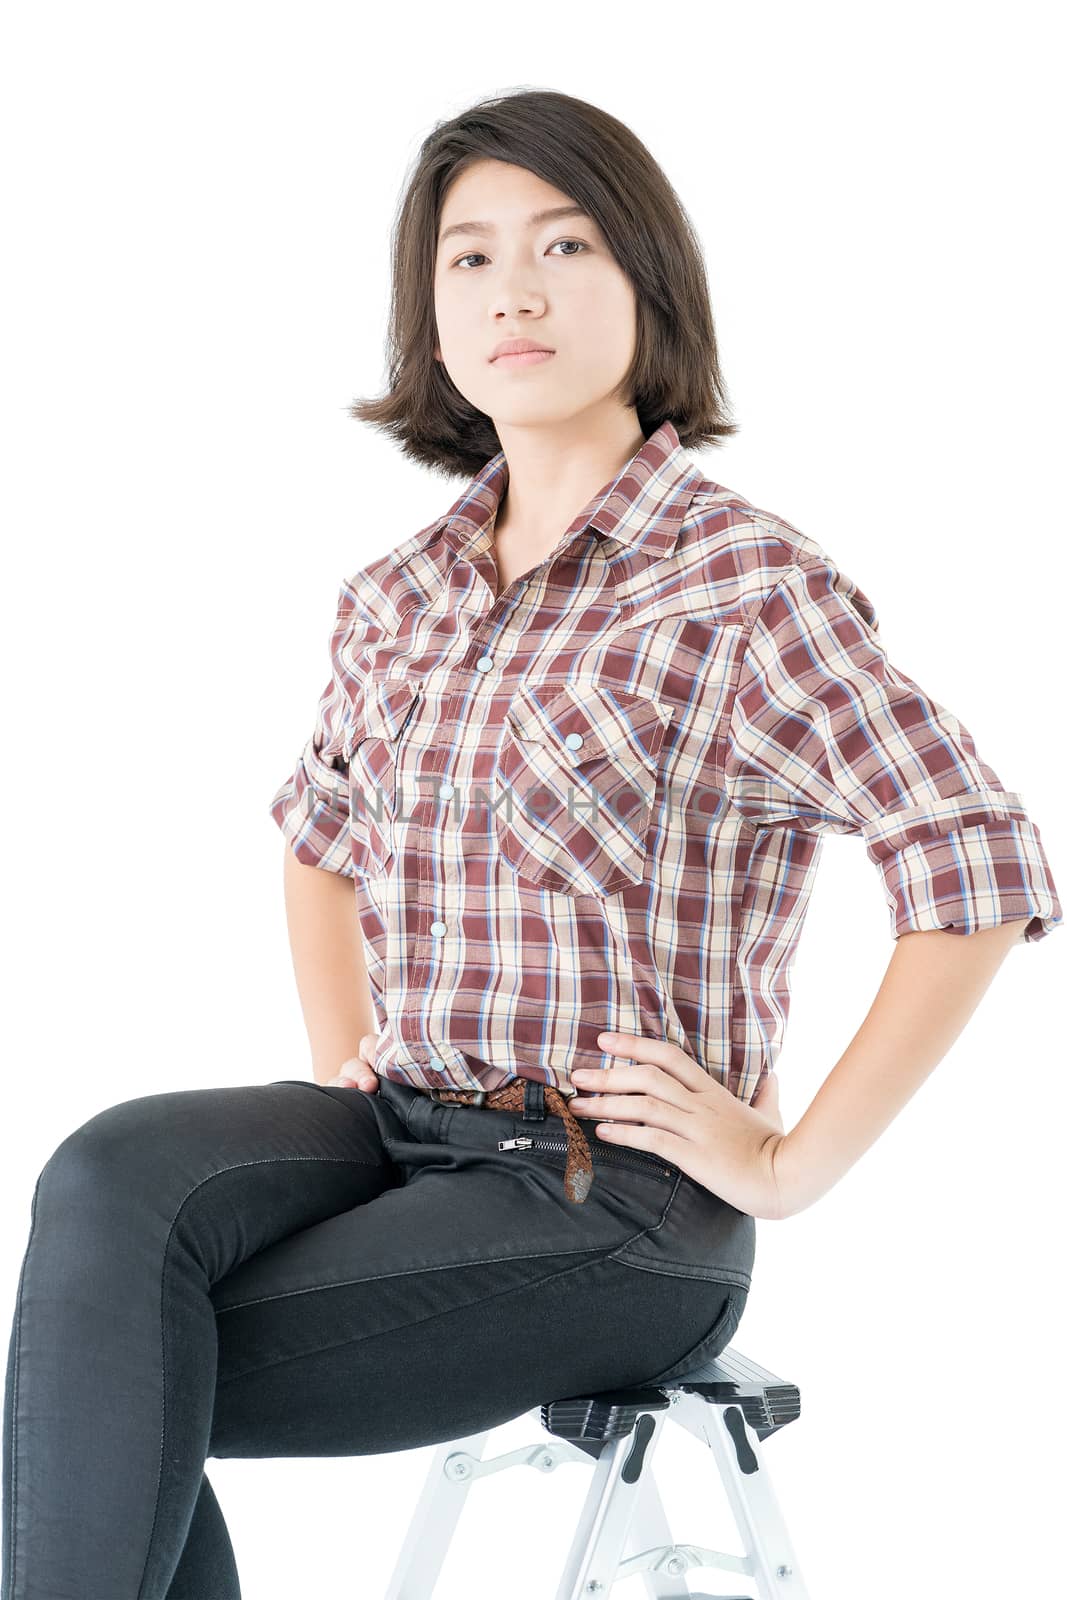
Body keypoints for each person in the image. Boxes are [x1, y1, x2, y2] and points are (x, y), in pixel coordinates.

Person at [2, 88, 1060, 1599]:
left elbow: (975, 861)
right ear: (426, 320)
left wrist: (790, 1160)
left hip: (613, 1202)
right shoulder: (398, 595)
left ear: (645, 282)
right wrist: (340, 1046)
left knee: (84, 1385)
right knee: (108, 1177)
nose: (514, 291)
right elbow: (319, 838)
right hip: (400, 1129)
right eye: (469, 259)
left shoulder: (742, 585)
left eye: (563, 246)